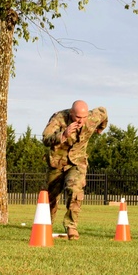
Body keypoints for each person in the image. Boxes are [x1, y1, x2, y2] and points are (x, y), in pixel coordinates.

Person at [42, 100, 108, 239]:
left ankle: (71, 226)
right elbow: (46, 138)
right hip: (57, 163)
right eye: (77, 117)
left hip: (77, 162)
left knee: (75, 189)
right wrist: (63, 135)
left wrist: (100, 129)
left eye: (83, 117)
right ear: (71, 113)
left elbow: (104, 113)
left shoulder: (93, 116)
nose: (81, 121)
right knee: (51, 198)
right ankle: (46, 225)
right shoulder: (59, 118)